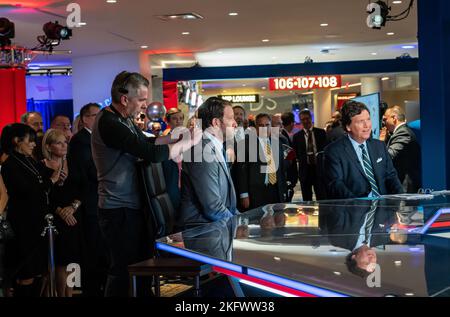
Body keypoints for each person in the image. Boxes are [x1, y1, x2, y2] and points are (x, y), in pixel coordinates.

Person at [91, 71, 197, 297]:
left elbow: (146, 141)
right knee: (123, 270)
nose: (146, 105)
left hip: (132, 206)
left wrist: (176, 137)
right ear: (124, 99)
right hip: (118, 209)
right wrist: (188, 143)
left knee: (142, 266)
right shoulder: (109, 122)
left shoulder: (123, 119)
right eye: (141, 100)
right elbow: (151, 153)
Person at [1, 123, 62, 297]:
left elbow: (44, 179)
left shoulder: (30, 161)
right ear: (16, 141)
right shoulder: (10, 165)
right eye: (30, 140)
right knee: (26, 272)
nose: (34, 144)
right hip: (23, 225)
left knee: (39, 273)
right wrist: (50, 180)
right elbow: (28, 190)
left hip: (39, 223)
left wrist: (51, 176)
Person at [177, 97, 239, 230]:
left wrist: (242, 220)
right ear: (216, 122)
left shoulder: (215, 147)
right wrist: (238, 224)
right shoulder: (201, 151)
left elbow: (226, 203)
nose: (235, 124)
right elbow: (212, 208)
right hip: (201, 231)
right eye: (231, 118)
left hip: (214, 227)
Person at [323, 101, 404, 199]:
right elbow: (337, 186)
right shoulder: (334, 151)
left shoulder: (379, 146)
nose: (367, 125)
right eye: (360, 121)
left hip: (384, 208)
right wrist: (360, 206)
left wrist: (401, 201)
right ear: (348, 127)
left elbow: (392, 177)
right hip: (354, 209)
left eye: (368, 119)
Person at [68, 103, 107, 297]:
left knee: (100, 250)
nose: (98, 118)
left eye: (100, 115)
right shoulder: (80, 141)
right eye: (94, 115)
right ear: (84, 119)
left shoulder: (96, 138)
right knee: (92, 250)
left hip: (99, 201)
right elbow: (92, 171)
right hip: (89, 203)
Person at [42, 129, 82, 297]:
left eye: (65, 142)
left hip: (74, 216)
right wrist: (61, 211)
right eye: (59, 143)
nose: (64, 145)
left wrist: (73, 207)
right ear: (49, 147)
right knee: (60, 261)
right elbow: (44, 196)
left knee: (73, 261)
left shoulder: (73, 162)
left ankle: (70, 294)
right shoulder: (41, 165)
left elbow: (83, 189)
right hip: (55, 220)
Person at [234, 113, 287, 210]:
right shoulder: (246, 144)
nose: (264, 128)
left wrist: (284, 190)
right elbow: (241, 172)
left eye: (267, 125)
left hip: (276, 191)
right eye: (261, 125)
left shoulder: (277, 143)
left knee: (276, 222)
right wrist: (244, 194)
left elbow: (281, 170)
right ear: (255, 127)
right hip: (256, 193)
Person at [382, 106, 421, 193]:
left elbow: (389, 156)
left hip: (405, 188)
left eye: (385, 119)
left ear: (394, 118)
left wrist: (379, 143)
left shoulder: (403, 133)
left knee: (403, 207)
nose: (384, 123)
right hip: (402, 186)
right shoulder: (399, 132)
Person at [293, 109, 328, 201]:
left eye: (307, 118)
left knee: (321, 196)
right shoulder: (297, 136)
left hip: (319, 169)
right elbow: (295, 154)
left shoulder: (321, 133)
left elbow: (326, 149)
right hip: (305, 171)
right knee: (306, 198)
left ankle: (323, 215)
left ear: (311, 118)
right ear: (300, 121)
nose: (305, 121)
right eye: (303, 119)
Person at [162, 108, 185, 212]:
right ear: (168, 121)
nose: (178, 121)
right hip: (171, 182)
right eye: (175, 118)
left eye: (181, 118)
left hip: (186, 184)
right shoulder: (164, 140)